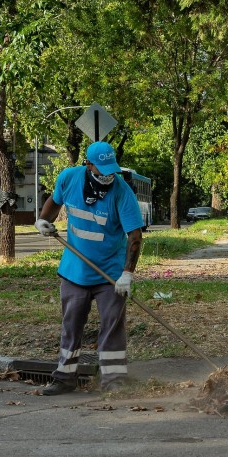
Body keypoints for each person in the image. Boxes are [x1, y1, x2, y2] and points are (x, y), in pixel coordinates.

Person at [34, 141, 144, 395]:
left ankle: (114, 380)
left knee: (112, 326)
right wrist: (42, 220)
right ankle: (64, 378)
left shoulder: (122, 191)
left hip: (110, 274)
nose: (107, 175)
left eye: (110, 169)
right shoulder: (69, 178)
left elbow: (135, 236)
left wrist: (127, 274)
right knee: (71, 325)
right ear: (88, 163)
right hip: (75, 271)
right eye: (101, 169)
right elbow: (54, 200)